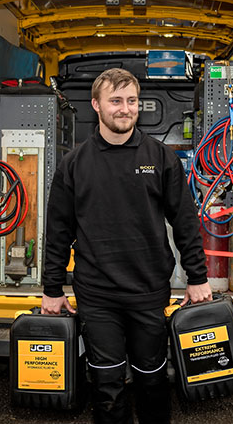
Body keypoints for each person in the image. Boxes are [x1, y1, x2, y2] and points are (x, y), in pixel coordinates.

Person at [41, 68, 212, 423]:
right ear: (96, 106)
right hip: (97, 293)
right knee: (107, 384)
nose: (125, 109)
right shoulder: (75, 164)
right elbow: (58, 230)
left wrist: (197, 277)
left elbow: (184, 220)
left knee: (152, 381)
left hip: (148, 290)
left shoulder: (160, 158)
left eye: (131, 101)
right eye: (116, 101)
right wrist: (52, 288)